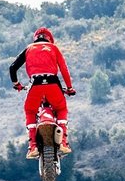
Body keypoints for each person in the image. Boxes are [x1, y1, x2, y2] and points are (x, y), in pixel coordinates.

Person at [7, 26, 77, 158]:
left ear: (35, 38)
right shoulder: (53, 48)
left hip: (35, 84)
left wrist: (17, 84)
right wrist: (69, 88)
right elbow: (64, 69)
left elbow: (12, 68)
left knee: (30, 111)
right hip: (53, 83)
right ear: (49, 39)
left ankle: (33, 146)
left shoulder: (29, 49)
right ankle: (63, 142)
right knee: (61, 109)